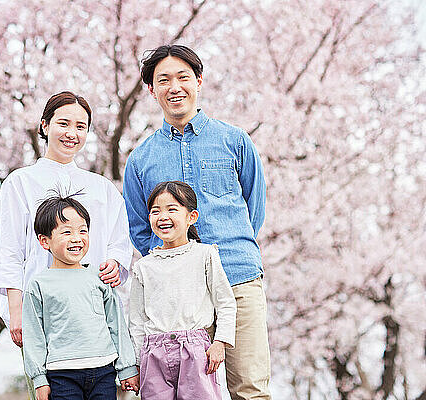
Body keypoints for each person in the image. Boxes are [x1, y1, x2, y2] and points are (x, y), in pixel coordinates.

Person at [123, 45, 271, 400]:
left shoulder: (234, 140)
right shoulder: (140, 159)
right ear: (151, 90)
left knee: (250, 389)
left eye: (183, 77)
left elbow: (255, 209)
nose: (175, 86)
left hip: (237, 277)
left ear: (199, 81)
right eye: (164, 80)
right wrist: (173, 268)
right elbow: (141, 228)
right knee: (186, 393)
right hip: (177, 301)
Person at [0, 91, 133, 348]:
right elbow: (10, 250)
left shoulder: (102, 188)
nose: (72, 133)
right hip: (39, 310)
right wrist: (16, 310)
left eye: (81, 127)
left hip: (91, 310)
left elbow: (119, 240)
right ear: (45, 125)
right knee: (46, 386)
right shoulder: (20, 182)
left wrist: (115, 262)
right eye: (63, 123)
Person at [22, 195, 139, 400]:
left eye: (82, 231)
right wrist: (39, 379)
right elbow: (34, 336)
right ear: (44, 241)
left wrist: (127, 367)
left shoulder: (99, 277)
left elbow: (116, 324)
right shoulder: (39, 285)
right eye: (66, 232)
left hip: (103, 370)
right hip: (62, 374)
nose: (77, 238)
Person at [129, 181, 236, 399]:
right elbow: (137, 321)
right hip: (153, 353)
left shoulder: (205, 255)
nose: (163, 216)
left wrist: (220, 343)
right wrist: (137, 364)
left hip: (196, 351)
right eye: (155, 211)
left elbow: (225, 302)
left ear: (191, 216)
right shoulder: (143, 266)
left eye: (172, 209)